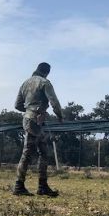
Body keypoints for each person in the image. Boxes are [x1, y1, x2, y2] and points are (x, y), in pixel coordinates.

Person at [13, 62, 63, 197]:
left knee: (43, 152)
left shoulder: (25, 83)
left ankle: (42, 186)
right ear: (46, 72)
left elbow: (17, 105)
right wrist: (60, 116)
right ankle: (19, 186)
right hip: (36, 121)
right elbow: (54, 102)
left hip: (30, 120)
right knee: (28, 153)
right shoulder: (45, 82)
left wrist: (29, 109)